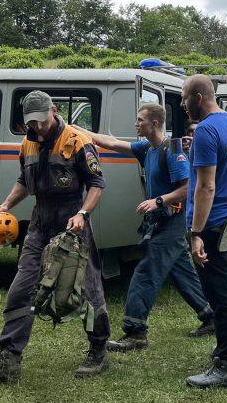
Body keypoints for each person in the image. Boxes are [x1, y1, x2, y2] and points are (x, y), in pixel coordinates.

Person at [0, 91, 109, 385]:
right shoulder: (28, 142)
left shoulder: (78, 141)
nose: (37, 128)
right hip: (39, 221)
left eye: (42, 122)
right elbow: (25, 179)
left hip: (72, 220)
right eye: (31, 123)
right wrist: (7, 204)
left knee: (88, 286)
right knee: (22, 287)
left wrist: (83, 214)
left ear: (54, 111)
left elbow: (97, 183)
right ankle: (9, 360)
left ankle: (99, 350)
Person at [84, 103, 214, 352]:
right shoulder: (148, 148)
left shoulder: (172, 149)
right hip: (161, 222)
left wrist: (158, 201)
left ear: (154, 123)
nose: (136, 124)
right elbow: (111, 143)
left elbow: (188, 189)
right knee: (181, 271)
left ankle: (135, 331)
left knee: (146, 272)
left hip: (172, 222)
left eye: (140, 120)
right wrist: (74, 129)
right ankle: (211, 316)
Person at [183, 75, 227, 389]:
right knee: (225, 285)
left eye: (184, 100)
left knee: (219, 292)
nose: (184, 106)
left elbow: (206, 186)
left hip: (214, 221)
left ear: (198, 97)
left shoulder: (206, 130)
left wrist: (196, 231)